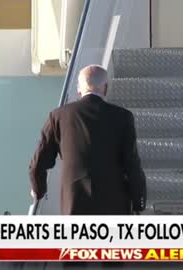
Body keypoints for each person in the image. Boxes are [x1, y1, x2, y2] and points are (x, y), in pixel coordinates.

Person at [29, 64, 147, 216]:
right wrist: (139, 201)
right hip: (114, 209)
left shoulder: (58, 117)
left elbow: (37, 164)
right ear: (105, 89)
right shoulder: (123, 117)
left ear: (79, 89)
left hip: (74, 209)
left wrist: (38, 191)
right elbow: (132, 165)